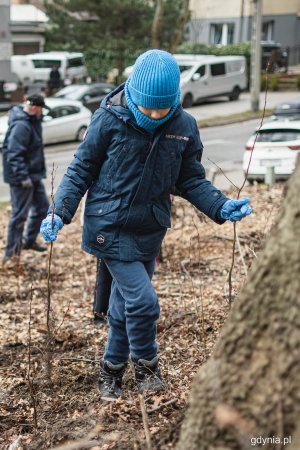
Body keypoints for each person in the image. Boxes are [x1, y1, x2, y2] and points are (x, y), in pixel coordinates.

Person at [40, 50, 252, 401]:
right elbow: (80, 169)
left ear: (174, 100)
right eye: (148, 107)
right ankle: (147, 366)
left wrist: (221, 205)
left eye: (162, 109)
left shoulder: (184, 127)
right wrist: (58, 212)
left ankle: (110, 373)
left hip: (149, 230)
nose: (155, 115)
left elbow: (191, 180)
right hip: (109, 227)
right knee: (143, 303)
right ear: (134, 93)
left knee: (124, 309)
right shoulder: (108, 120)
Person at [2, 94, 50, 265]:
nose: (42, 112)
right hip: (22, 177)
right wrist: (22, 177)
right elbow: (13, 154)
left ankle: (29, 241)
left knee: (43, 207)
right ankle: (11, 253)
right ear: (35, 108)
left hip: (33, 175)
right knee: (19, 214)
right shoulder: (22, 126)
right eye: (41, 108)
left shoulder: (32, 122)